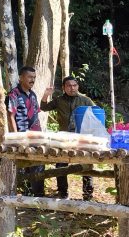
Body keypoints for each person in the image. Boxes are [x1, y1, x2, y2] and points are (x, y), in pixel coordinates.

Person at [41, 76, 97, 200]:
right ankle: (63, 192)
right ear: (63, 87)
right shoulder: (59, 100)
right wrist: (46, 95)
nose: (72, 88)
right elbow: (43, 108)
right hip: (64, 138)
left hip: (82, 137)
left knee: (86, 164)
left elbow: (97, 115)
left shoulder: (85, 100)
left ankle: (87, 194)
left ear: (78, 86)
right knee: (61, 165)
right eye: (69, 86)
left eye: (74, 85)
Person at [7, 66, 45, 196]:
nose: (32, 80)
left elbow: (35, 115)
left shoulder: (33, 95)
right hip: (22, 135)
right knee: (24, 165)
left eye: (34, 77)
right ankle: (27, 193)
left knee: (39, 162)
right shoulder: (14, 94)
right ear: (21, 78)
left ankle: (38, 195)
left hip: (36, 136)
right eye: (29, 77)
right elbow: (11, 116)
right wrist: (16, 136)